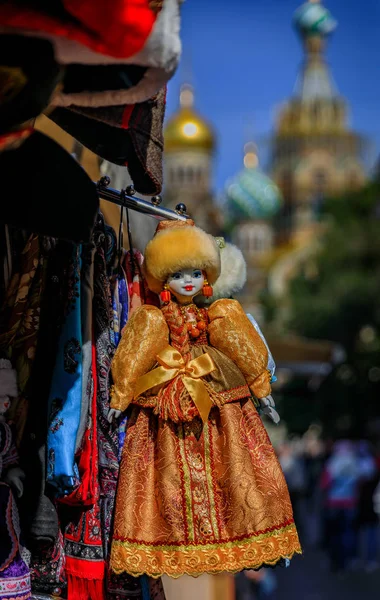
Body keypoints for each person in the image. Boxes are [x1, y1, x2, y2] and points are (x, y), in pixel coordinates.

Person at [107, 219, 301, 578]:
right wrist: (119, 398)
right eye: (179, 274)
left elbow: (241, 346)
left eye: (195, 272)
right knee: (163, 472)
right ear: (163, 279)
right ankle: (174, 543)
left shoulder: (218, 315)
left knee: (233, 460)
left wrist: (261, 389)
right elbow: (134, 356)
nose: (189, 281)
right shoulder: (151, 319)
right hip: (165, 397)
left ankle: (237, 534)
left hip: (215, 387)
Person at [320, 440, 360, 572]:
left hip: (334, 503)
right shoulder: (354, 462)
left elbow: (324, 484)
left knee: (334, 533)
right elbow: (359, 483)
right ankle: (346, 560)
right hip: (349, 503)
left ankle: (335, 561)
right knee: (347, 532)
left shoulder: (332, 463)